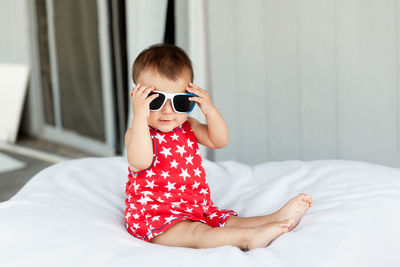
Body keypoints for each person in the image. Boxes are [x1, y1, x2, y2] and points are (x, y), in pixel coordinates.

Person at [124, 43, 313, 250]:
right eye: (156, 100)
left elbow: (219, 140)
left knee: (226, 220)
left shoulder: (188, 126)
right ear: (137, 99)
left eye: (180, 102)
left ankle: (275, 218)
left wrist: (210, 111)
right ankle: (247, 239)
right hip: (157, 216)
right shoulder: (138, 133)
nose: (168, 111)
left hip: (196, 207)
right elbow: (140, 160)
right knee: (197, 233)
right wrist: (140, 116)